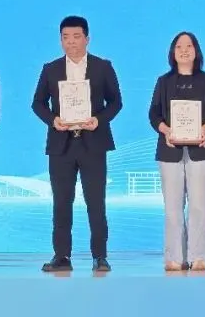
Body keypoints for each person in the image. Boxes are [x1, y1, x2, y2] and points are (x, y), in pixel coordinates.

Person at [32, 16, 123, 272]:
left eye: (76, 37)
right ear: (60, 40)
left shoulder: (102, 67)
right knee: (61, 203)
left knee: (96, 203)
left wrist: (98, 120)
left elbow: (116, 102)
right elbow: (37, 103)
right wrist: (53, 120)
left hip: (93, 143)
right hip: (61, 145)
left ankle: (100, 256)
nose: (71, 42)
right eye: (65, 37)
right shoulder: (50, 69)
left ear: (87, 39)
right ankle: (62, 256)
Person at [148, 32, 205, 272]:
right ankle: (174, 257)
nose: (183, 50)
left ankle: (199, 256)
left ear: (196, 51)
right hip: (169, 150)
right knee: (172, 208)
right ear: (172, 52)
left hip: (201, 150)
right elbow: (154, 114)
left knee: (199, 206)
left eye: (188, 46)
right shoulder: (163, 82)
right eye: (179, 46)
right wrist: (165, 130)